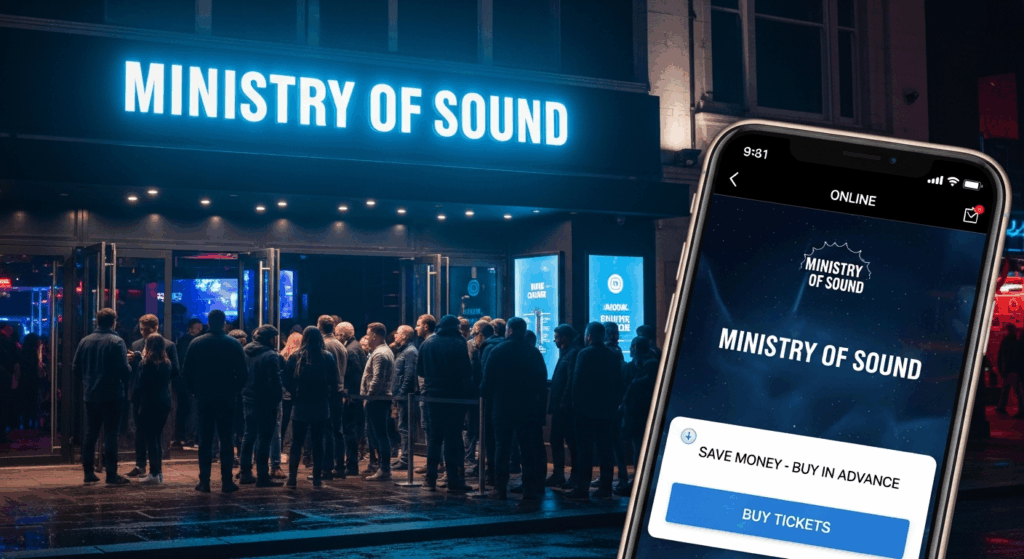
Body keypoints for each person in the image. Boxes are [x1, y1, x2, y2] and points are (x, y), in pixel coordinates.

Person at [182, 309, 249, 493]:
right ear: (224, 323)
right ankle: (226, 481)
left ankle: (204, 481)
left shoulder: (197, 343)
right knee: (226, 438)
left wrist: (195, 391)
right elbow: (243, 373)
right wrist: (234, 390)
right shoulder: (233, 344)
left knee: (205, 439)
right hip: (227, 397)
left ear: (208, 323)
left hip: (204, 397)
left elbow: (186, 372)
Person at [480, 317, 548, 499]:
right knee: (527, 449)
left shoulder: (497, 351)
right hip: (528, 407)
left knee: (502, 447)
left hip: (503, 406)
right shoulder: (533, 352)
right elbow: (542, 383)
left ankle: (500, 487)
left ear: (508, 330)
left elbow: (487, 382)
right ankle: (529, 487)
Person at [73, 308, 133, 486]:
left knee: (91, 433)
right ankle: (112, 475)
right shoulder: (117, 342)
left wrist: (88, 380)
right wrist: (131, 364)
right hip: (113, 394)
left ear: (97, 321)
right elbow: (124, 371)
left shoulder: (85, 341)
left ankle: (88, 472)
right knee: (111, 435)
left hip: (91, 394)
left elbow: (76, 369)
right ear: (114, 322)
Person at [416, 315, 474, 493]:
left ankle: (430, 480)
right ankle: (453, 480)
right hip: (453, 397)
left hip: (432, 397)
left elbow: (420, 371)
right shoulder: (458, 342)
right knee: (453, 438)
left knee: (434, 438)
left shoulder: (427, 343)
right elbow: (466, 371)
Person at [565, 322, 622, 500]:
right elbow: (619, 383)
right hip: (607, 410)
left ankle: (583, 488)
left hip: (586, 410)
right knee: (605, 449)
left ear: (588, 335)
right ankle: (605, 488)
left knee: (585, 451)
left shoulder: (585, 354)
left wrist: (575, 405)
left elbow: (578, 381)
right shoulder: (612, 355)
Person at [283, 326, 339, 488]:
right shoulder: (326, 356)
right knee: (318, 442)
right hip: (321, 404)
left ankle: (292, 477)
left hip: (300, 404)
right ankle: (316, 477)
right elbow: (333, 381)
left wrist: (295, 393)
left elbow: (286, 378)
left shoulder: (296, 356)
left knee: (296, 442)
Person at [127, 315, 180, 478]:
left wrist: (157, 378)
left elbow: (175, 370)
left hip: (153, 394)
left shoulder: (168, 346)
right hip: (140, 394)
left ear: (156, 327)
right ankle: (141, 464)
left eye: (146, 330)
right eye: (141, 329)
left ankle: (154, 468)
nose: (143, 333)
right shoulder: (137, 345)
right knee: (140, 432)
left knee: (153, 434)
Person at [239, 325, 285, 487]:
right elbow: (275, 382)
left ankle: (245, 472)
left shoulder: (244, 352)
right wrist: (277, 399)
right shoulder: (270, 356)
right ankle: (263, 475)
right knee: (264, 439)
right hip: (265, 402)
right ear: (270, 338)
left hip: (248, 399)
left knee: (248, 436)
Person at [135, 334, 174, 485]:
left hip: (149, 402)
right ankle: (158, 472)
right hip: (164, 401)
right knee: (157, 437)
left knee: (150, 438)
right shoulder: (167, 363)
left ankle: (154, 473)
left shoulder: (146, 363)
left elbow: (140, 385)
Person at [621, 339, 658, 494]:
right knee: (640, 448)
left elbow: (632, 386)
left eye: (631, 347)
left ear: (635, 348)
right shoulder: (645, 365)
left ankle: (639, 483)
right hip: (638, 413)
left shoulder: (648, 365)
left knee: (640, 448)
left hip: (641, 413)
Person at [361, 322, 395, 481]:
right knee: (379, 435)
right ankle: (382, 467)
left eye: (368, 336)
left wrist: (369, 397)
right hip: (379, 399)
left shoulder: (380, 353)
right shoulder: (382, 351)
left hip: (378, 400)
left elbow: (377, 379)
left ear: (374, 336)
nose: (367, 339)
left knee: (381, 435)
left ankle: (384, 469)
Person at [548, 324, 581, 489]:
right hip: (561, 407)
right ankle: (559, 474)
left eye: (555, 337)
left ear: (563, 338)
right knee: (557, 440)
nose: (554, 340)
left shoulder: (572, 354)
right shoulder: (567, 353)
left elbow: (570, 379)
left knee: (570, 442)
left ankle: (572, 476)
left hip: (565, 408)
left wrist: (564, 401)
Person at [318, 316, 348, 480]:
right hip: (339, 391)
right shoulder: (340, 345)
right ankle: (340, 466)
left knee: (327, 430)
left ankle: (327, 468)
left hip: (328, 392)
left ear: (319, 326)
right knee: (338, 430)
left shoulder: (324, 345)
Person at [476, 319, 506, 485]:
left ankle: (493, 474)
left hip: (492, 401)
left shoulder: (488, 348)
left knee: (492, 440)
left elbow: (486, 375)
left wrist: (482, 395)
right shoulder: (502, 345)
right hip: (506, 399)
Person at [337, 321, 367, 476]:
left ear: (343, 334)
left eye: (337, 334)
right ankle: (351, 463)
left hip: (352, 397)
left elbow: (355, 374)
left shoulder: (351, 349)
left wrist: (348, 393)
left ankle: (352, 465)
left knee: (349, 431)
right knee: (351, 430)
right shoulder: (355, 346)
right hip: (355, 396)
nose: (336, 337)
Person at [390, 325, 419, 471]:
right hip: (401, 397)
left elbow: (409, 376)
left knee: (405, 428)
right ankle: (404, 457)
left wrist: (401, 394)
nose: (395, 335)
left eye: (398, 333)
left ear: (405, 336)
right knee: (402, 428)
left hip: (406, 398)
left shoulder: (410, 352)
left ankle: (406, 459)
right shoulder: (404, 351)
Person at [412, 314, 436, 476]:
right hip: (429, 394)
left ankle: (433, 465)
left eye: (419, 325)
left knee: (430, 429)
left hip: (428, 395)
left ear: (426, 326)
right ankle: (433, 463)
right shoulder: (428, 343)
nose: (416, 328)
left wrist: (424, 393)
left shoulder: (428, 344)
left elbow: (421, 372)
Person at [173, 318, 203, 447]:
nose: (200, 331)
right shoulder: (192, 342)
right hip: (190, 381)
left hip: (182, 381)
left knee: (183, 409)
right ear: (191, 328)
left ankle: (181, 436)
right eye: (198, 328)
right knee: (192, 409)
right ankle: (190, 436)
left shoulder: (182, 341)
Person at [278, 330, 303, 462]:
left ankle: (281, 450)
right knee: (292, 423)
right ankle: (289, 450)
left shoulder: (282, 354)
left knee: (283, 423)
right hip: (294, 394)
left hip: (283, 394)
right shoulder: (300, 356)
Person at [16, 333, 43, 431]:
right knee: (33, 401)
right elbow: (37, 367)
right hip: (33, 379)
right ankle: (33, 424)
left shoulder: (22, 352)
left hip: (24, 380)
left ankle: (25, 423)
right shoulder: (34, 353)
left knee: (24, 403)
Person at [997, 324, 1023, 417]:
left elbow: (1001, 357)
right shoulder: (1015, 342)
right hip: (1012, 369)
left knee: (1007, 389)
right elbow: (1015, 357)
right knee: (1017, 391)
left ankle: (1001, 407)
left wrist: (1001, 369)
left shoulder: (1006, 341)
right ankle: (1021, 410)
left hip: (1008, 369)